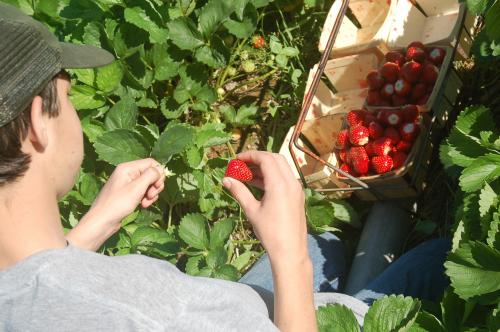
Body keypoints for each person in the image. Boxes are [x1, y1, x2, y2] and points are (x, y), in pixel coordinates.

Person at [0, 3, 451, 331]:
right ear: (40, 121)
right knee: (439, 257)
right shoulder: (141, 310)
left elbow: (38, 290)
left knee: (325, 246)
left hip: (232, 307)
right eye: (70, 95)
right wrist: (289, 257)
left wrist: (91, 229)